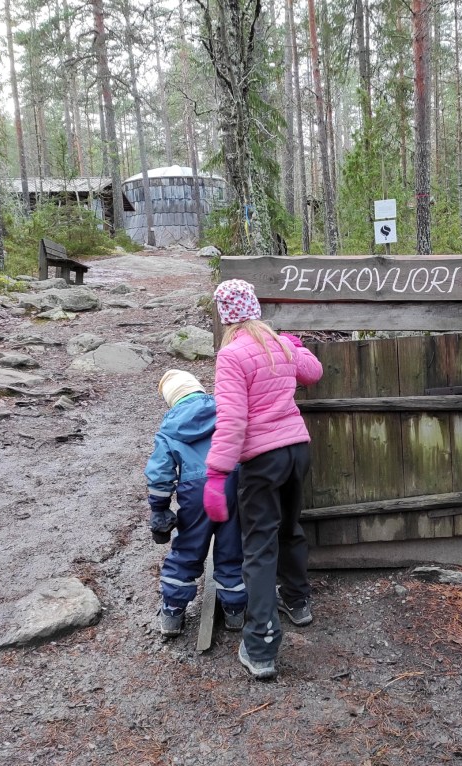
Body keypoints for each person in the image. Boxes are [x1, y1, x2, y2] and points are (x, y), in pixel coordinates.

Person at [203, 279, 324, 680]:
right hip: (296, 451)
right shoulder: (279, 344)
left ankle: (260, 646)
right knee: (290, 528)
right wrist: (295, 346)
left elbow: (232, 420)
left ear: (225, 316)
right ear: (254, 307)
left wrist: (217, 473)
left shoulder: (231, 354)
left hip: (263, 459)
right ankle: (298, 602)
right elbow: (313, 372)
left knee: (258, 547)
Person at [145, 369, 246, 638]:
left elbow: (160, 473)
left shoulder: (169, 428)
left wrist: (159, 507)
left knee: (188, 547)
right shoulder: (224, 409)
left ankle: (172, 612)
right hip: (232, 482)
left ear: (172, 399)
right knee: (233, 545)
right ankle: (235, 609)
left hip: (194, 492)